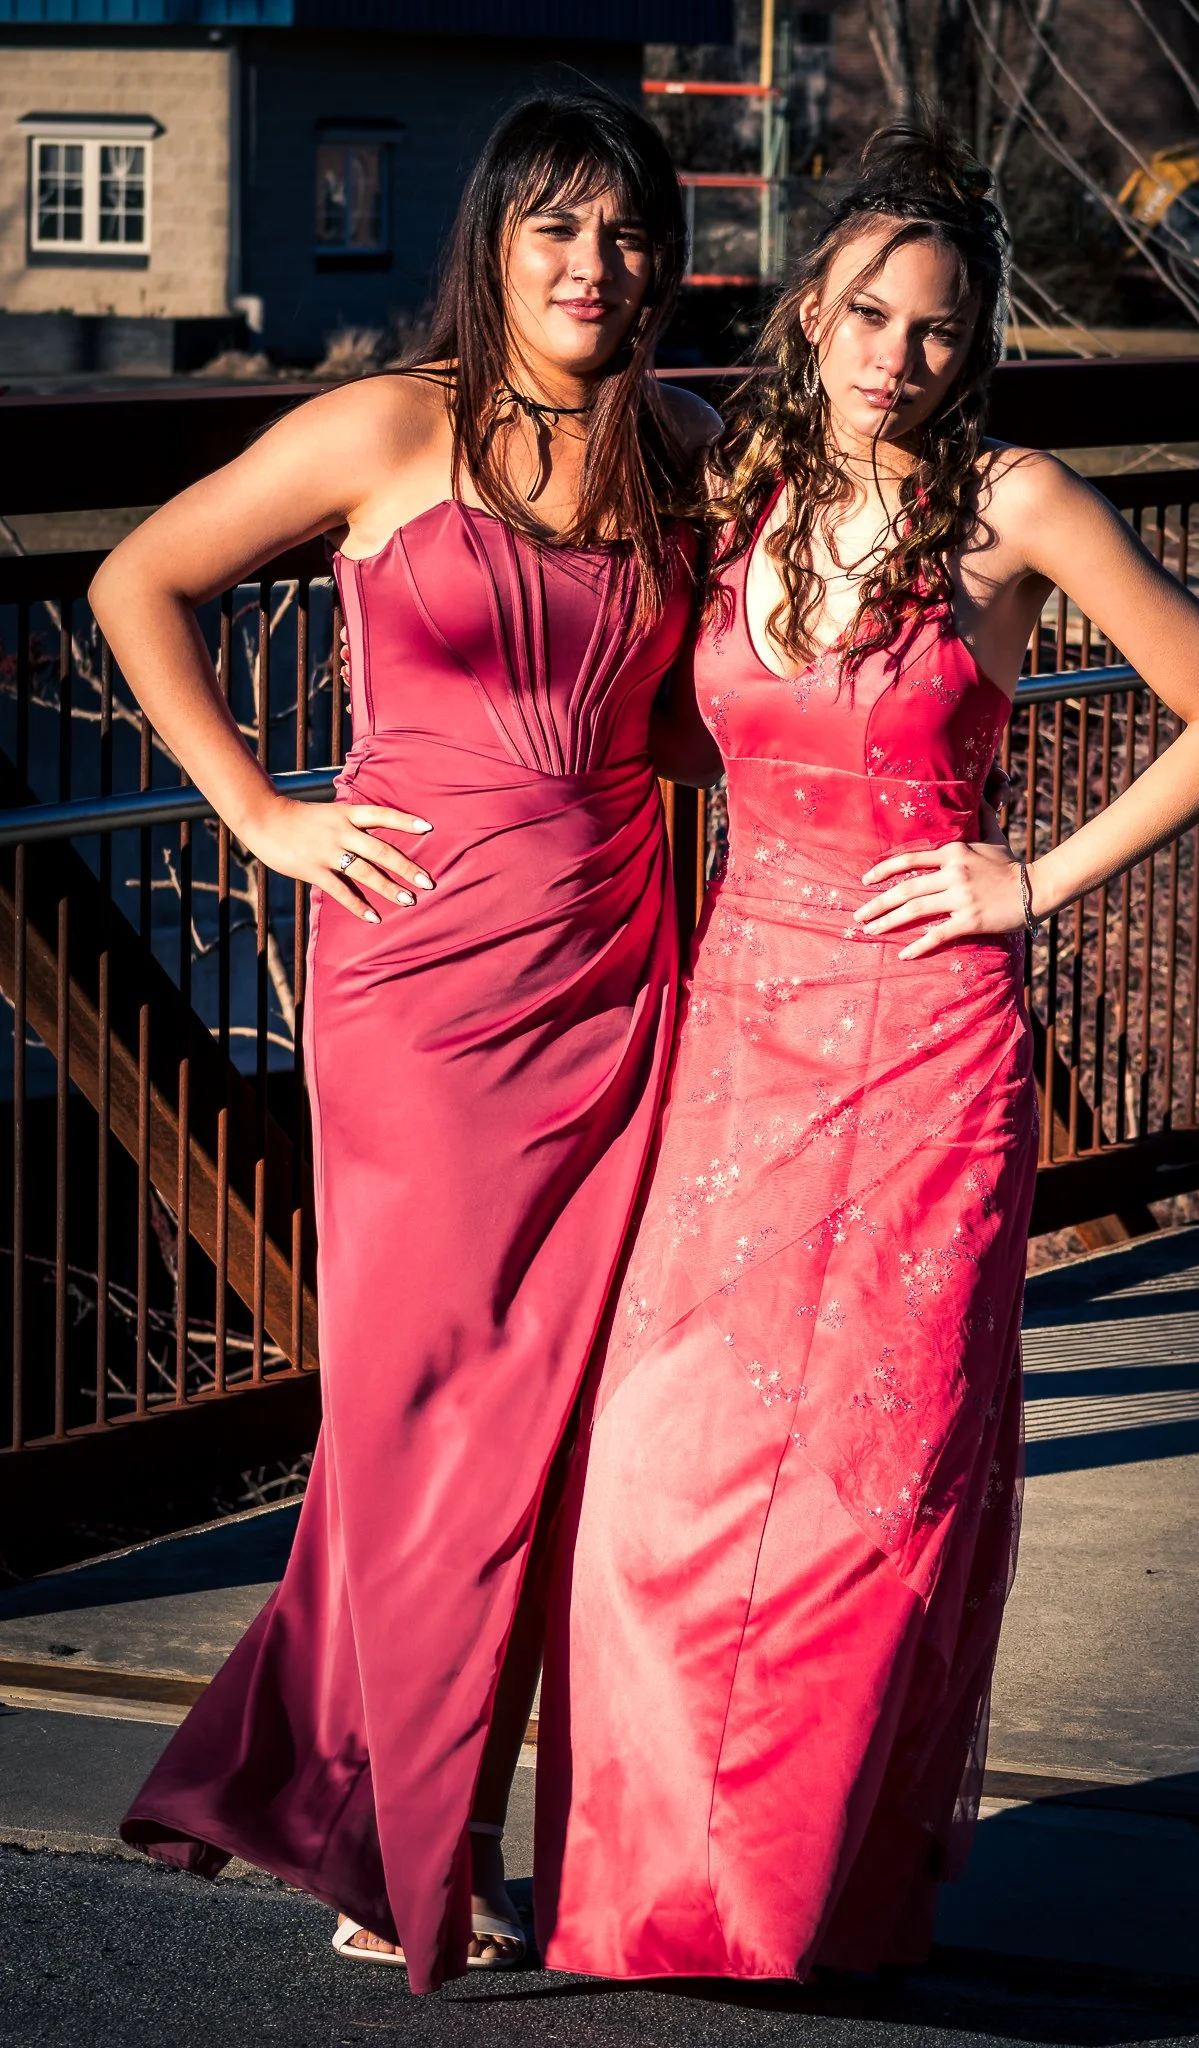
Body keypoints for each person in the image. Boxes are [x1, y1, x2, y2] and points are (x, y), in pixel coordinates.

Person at [534, 120, 1199, 1980]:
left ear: (978, 347)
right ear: (812, 305)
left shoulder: (1013, 502)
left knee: (872, 1483)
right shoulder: (736, 477)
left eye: (938, 330)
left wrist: (1026, 878)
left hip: (930, 1036)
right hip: (737, 1024)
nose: (897, 356)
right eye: (868, 311)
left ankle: (800, 1897)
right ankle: (647, 1884)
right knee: (657, 1464)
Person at [91, 90, 717, 1992]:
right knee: (427, 1408)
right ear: (493, 243)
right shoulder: (388, 425)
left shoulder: (686, 451)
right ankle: (395, 1829)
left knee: (535, 1432)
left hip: (617, 972)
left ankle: (374, 1790)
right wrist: (263, 814)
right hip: (422, 994)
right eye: (554, 232)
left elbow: (720, 703)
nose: (590, 271)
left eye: (624, 237)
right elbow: (138, 582)